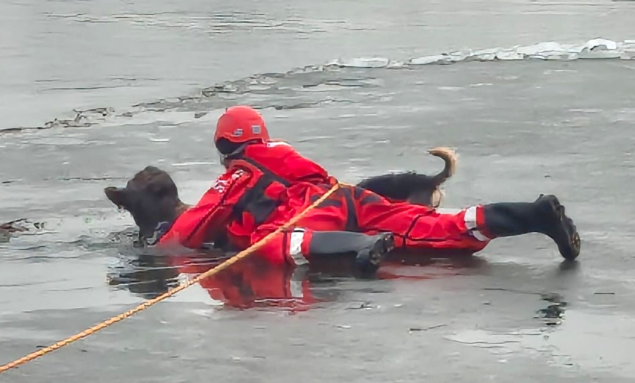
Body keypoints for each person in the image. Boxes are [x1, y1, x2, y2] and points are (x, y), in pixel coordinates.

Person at [158, 106, 580, 275]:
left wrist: (155, 249)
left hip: (310, 212)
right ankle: (533, 214)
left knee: (272, 244)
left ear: (223, 145)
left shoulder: (238, 171)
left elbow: (191, 228)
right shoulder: (284, 153)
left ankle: (360, 246)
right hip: (347, 196)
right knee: (432, 226)